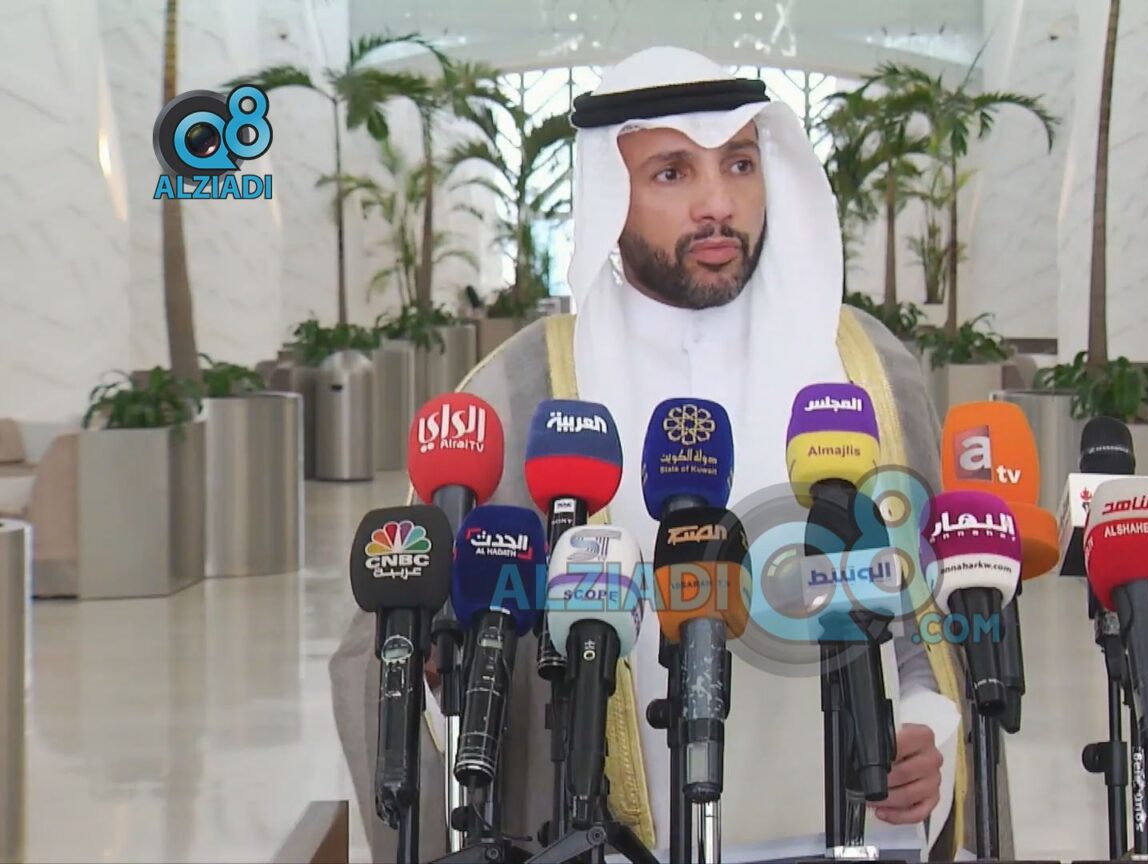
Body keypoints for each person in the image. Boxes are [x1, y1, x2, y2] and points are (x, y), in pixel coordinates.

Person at [330, 46, 1009, 862]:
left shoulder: (865, 367)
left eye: (741, 164)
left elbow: (929, 612)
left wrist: (928, 727)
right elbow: (396, 647)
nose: (718, 204)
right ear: (610, 195)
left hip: (853, 832)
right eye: (672, 173)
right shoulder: (520, 390)